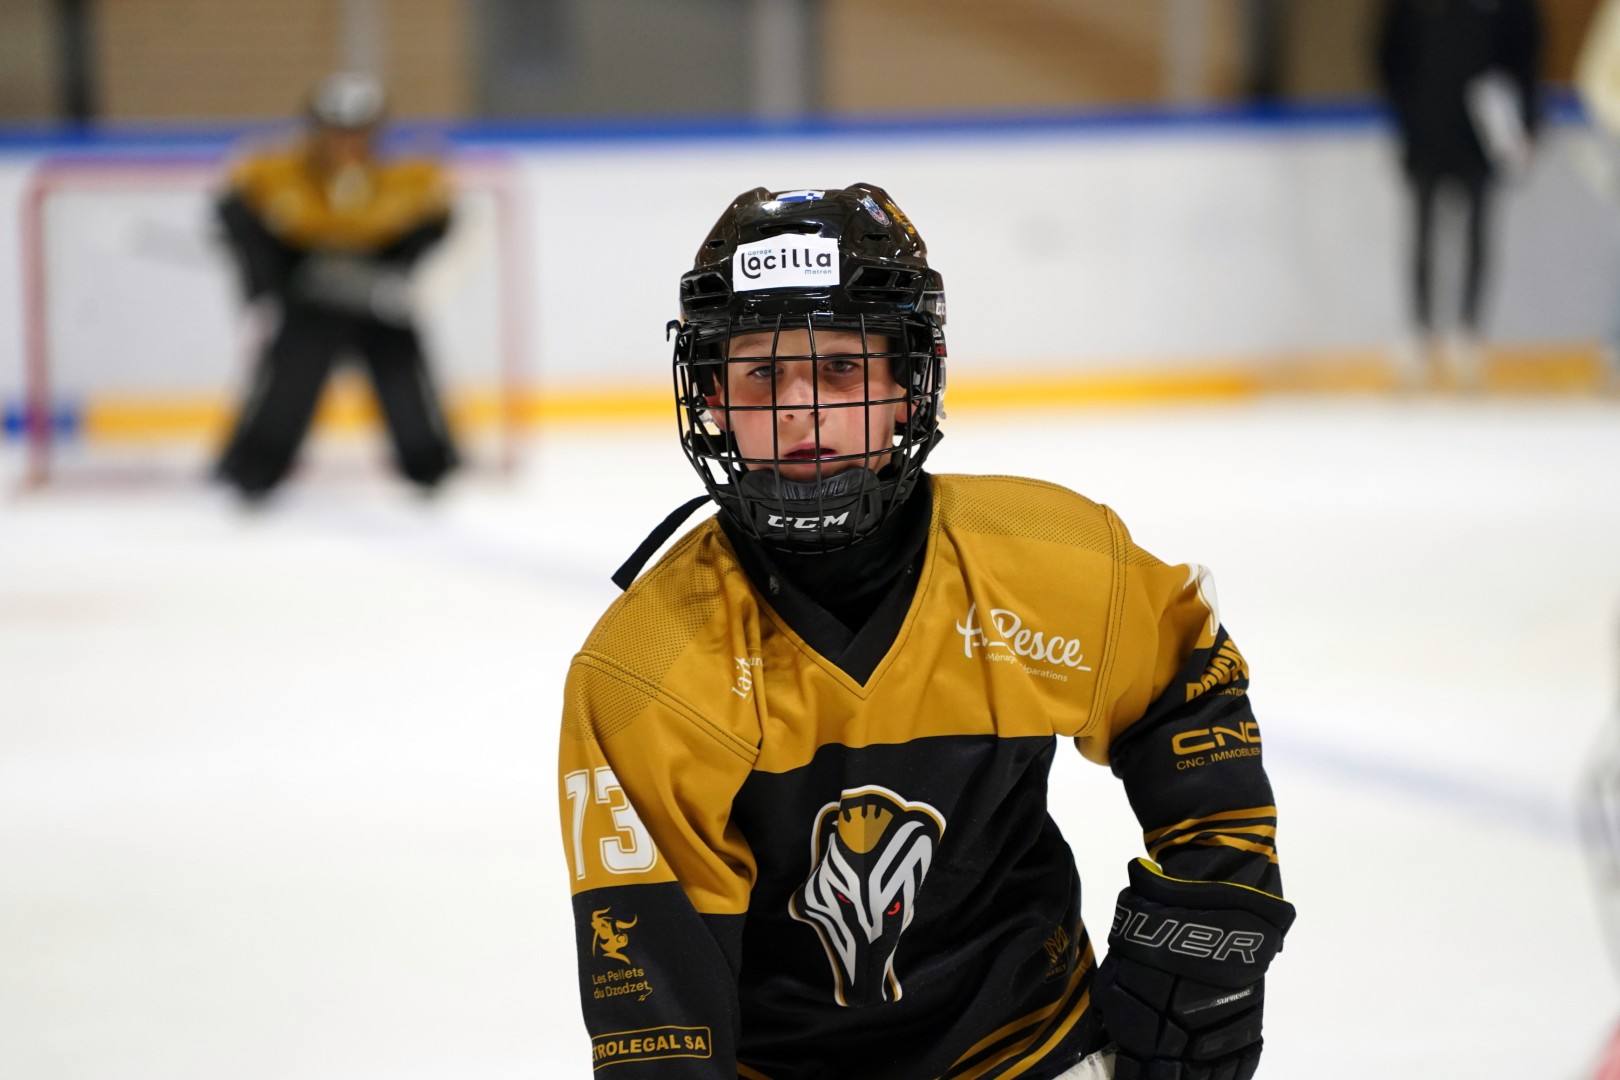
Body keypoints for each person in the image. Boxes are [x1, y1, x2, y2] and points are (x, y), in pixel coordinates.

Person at [558, 184, 1294, 1080]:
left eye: (840, 368)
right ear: (711, 394)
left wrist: (1210, 916)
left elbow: (1183, 687)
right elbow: (661, 1019)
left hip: (1032, 1050)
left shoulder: (1048, 564)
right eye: (761, 374)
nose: (801, 409)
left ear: (909, 382)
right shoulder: (644, 673)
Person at [213, 72, 459, 499]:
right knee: (290, 381)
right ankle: (254, 468)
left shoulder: (408, 179)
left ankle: (427, 465)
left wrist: (404, 275)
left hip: (376, 300)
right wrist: (271, 277)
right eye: (337, 132)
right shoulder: (276, 174)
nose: (347, 143)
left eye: (358, 133)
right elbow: (238, 218)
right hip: (311, 301)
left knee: (403, 376)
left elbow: (437, 228)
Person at [1376, 0, 1543, 390]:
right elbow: (1389, 53)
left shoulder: (1508, 9)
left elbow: (1525, 57)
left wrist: (1526, 123)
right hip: (1426, 130)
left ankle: (1469, 333)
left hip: (1481, 137)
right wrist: (1406, 115)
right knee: (1423, 233)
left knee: (1478, 233)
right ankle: (1419, 331)